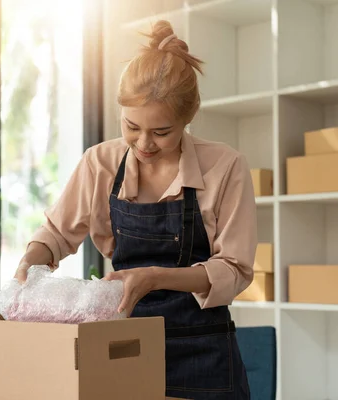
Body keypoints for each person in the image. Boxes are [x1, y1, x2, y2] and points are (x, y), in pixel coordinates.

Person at [14, 20, 256, 400]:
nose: (144, 144)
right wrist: (32, 260)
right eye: (131, 127)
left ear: (187, 119)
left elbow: (235, 270)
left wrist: (154, 277)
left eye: (162, 132)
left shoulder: (225, 166)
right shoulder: (100, 163)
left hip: (203, 354)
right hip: (122, 349)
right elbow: (56, 234)